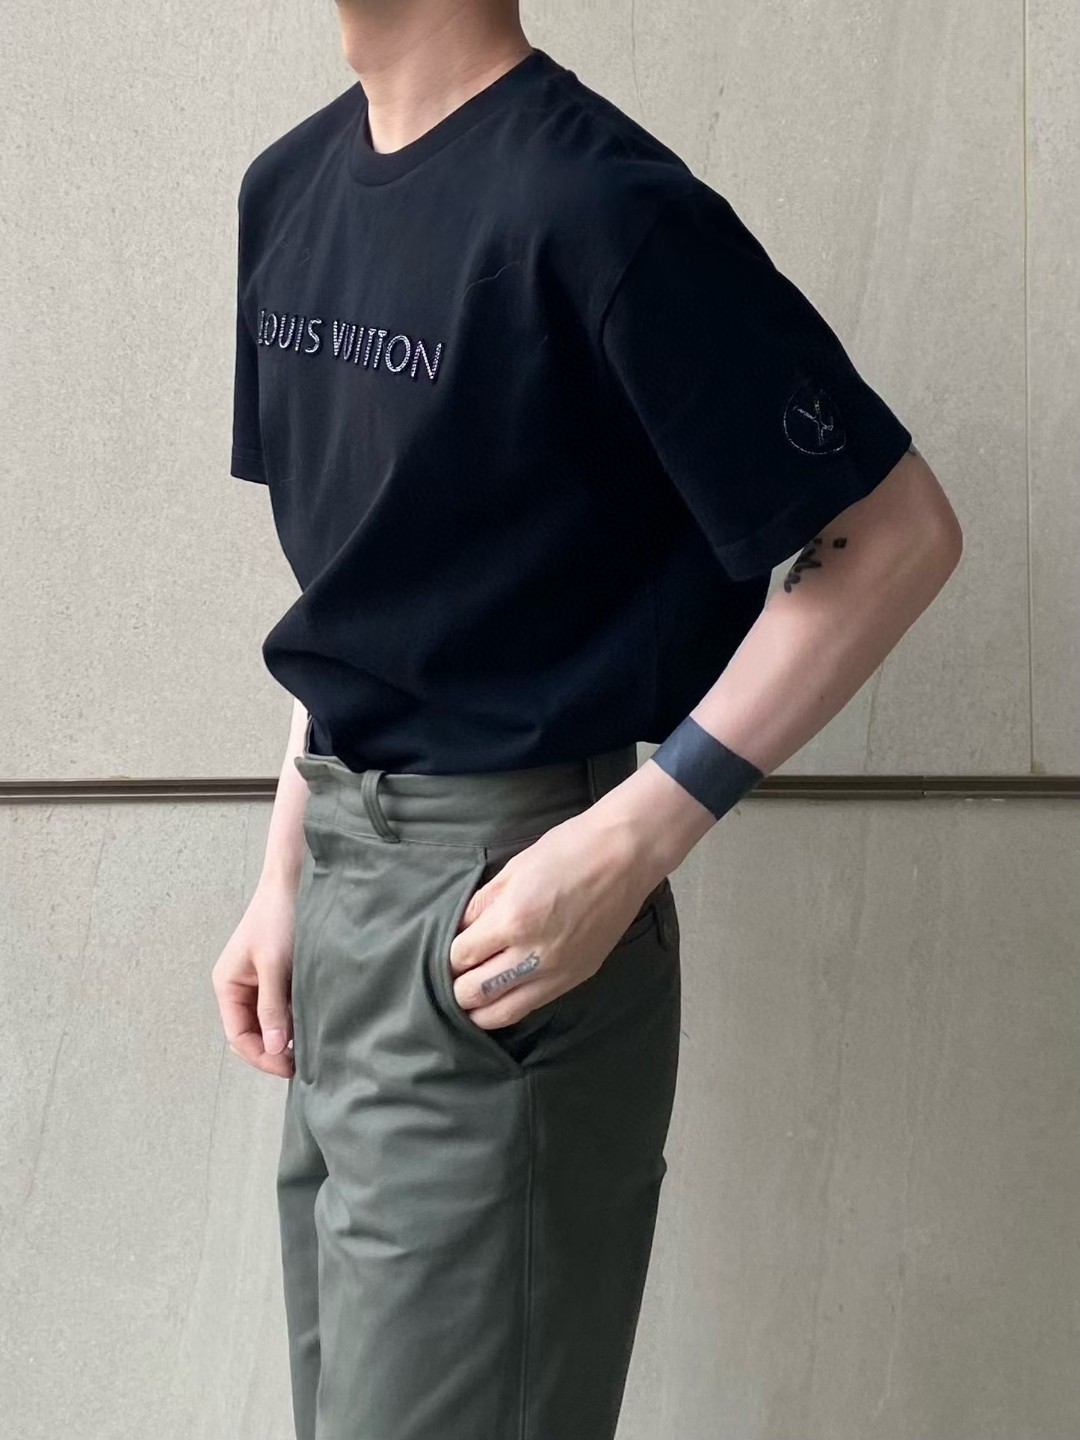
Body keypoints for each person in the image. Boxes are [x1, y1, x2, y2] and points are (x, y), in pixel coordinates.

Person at [212, 3, 963, 1437]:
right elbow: (369, 590)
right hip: (344, 907)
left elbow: (895, 534)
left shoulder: (599, 208)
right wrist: (283, 871)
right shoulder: (290, 189)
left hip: (501, 911)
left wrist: (633, 837)